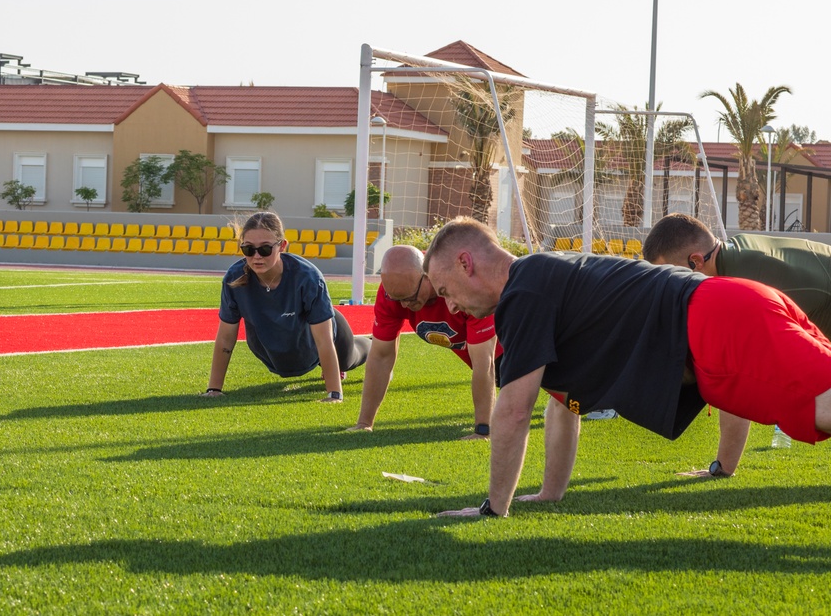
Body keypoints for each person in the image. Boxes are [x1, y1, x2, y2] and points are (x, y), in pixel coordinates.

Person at [423, 216, 831, 518]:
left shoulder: (524, 291)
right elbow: (561, 405)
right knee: (816, 412)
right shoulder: (540, 280)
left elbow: (513, 410)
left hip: (717, 321)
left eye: (446, 292)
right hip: (725, 314)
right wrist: (550, 493)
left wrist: (492, 509)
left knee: (823, 407)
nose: (452, 306)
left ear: (465, 262)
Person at [645, 212, 831, 477]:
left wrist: (721, 469)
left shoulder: (748, 283)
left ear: (695, 261)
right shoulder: (735, 256)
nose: (669, 291)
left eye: (671, 277)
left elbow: (738, 381)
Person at [203, 211, 370, 402]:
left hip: (324, 330)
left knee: (349, 359)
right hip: (282, 348)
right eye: (248, 249)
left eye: (265, 249)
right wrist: (214, 389)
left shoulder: (307, 277)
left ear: (282, 245)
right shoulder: (234, 279)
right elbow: (225, 339)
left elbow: (324, 340)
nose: (256, 256)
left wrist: (334, 393)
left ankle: (372, 343)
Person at [346, 245, 499, 439]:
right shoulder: (395, 289)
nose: (403, 305)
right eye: (397, 299)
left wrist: (482, 430)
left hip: (513, 342)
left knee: (531, 391)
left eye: (409, 298)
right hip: (473, 350)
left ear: (428, 276)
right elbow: (381, 356)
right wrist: (364, 423)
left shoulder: (466, 286)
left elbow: (485, 363)